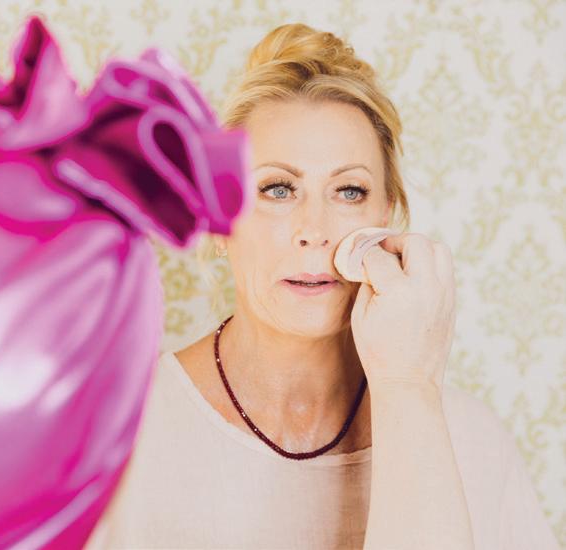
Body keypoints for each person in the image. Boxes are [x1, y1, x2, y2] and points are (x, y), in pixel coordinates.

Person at [83, 23, 559, 550]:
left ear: (386, 217)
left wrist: (408, 385)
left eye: (349, 191)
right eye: (278, 189)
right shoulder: (116, 432)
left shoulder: (473, 443)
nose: (315, 229)